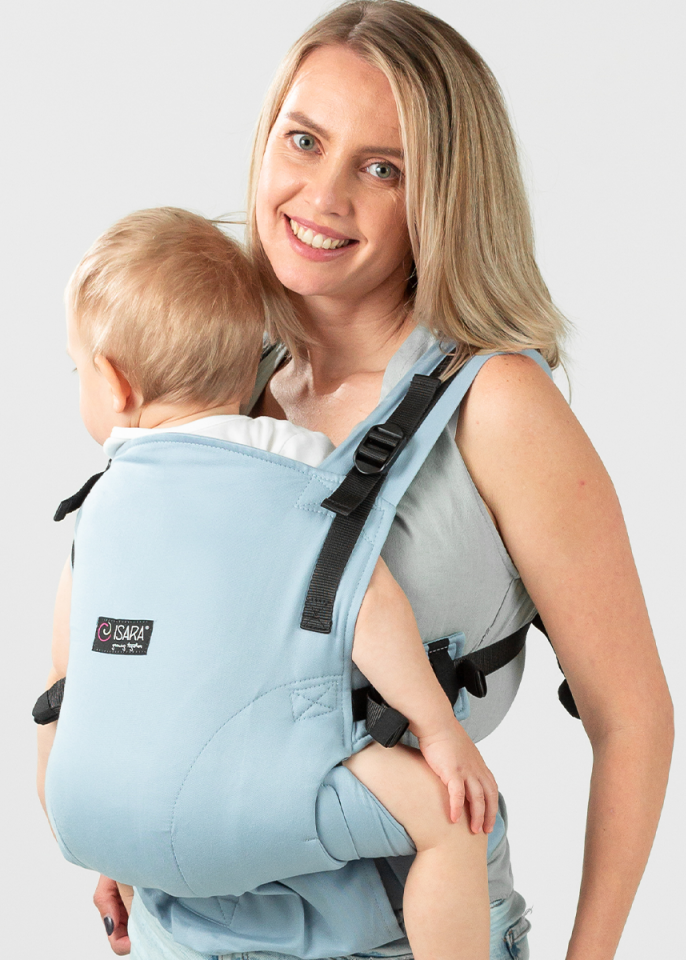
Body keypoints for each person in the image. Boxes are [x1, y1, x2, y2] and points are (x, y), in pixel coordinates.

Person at [87, 2, 673, 958]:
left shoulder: (497, 405)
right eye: (304, 140)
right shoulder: (217, 380)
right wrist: (138, 810)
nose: (322, 195)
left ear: (441, 196)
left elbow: (633, 718)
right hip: (179, 931)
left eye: (382, 168)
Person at [37, 205, 502, 960]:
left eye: (76, 369)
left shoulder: (101, 503)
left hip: (87, 814)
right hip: (263, 806)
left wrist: (120, 830)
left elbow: (66, 679)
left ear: (114, 383)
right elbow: (365, 602)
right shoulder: (304, 468)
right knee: (452, 822)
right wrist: (439, 731)